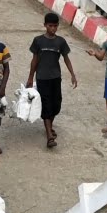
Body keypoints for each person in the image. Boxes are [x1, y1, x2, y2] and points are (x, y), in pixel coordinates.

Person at [25, 11, 76, 149]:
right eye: (50, 26)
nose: (53, 28)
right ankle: (49, 136)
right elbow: (34, 60)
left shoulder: (61, 42)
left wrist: (72, 74)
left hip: (55, 78)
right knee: (46, 105)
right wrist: (30, 77)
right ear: (45, 25)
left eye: (55, 26)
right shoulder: (38, 41)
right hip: (42, 78)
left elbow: (66, 58)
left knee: (56, 105)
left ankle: (49, 126)